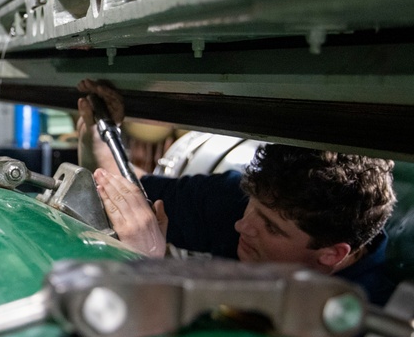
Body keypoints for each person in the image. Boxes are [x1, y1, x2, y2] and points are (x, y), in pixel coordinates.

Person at [76, 79, 398, 306]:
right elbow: (126, 192)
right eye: (252, 206)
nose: (243, 225)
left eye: (272, 227)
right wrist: (101, 134)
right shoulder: (237, 202)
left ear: (332, 255)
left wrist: (147, 267)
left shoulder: (367, 318)